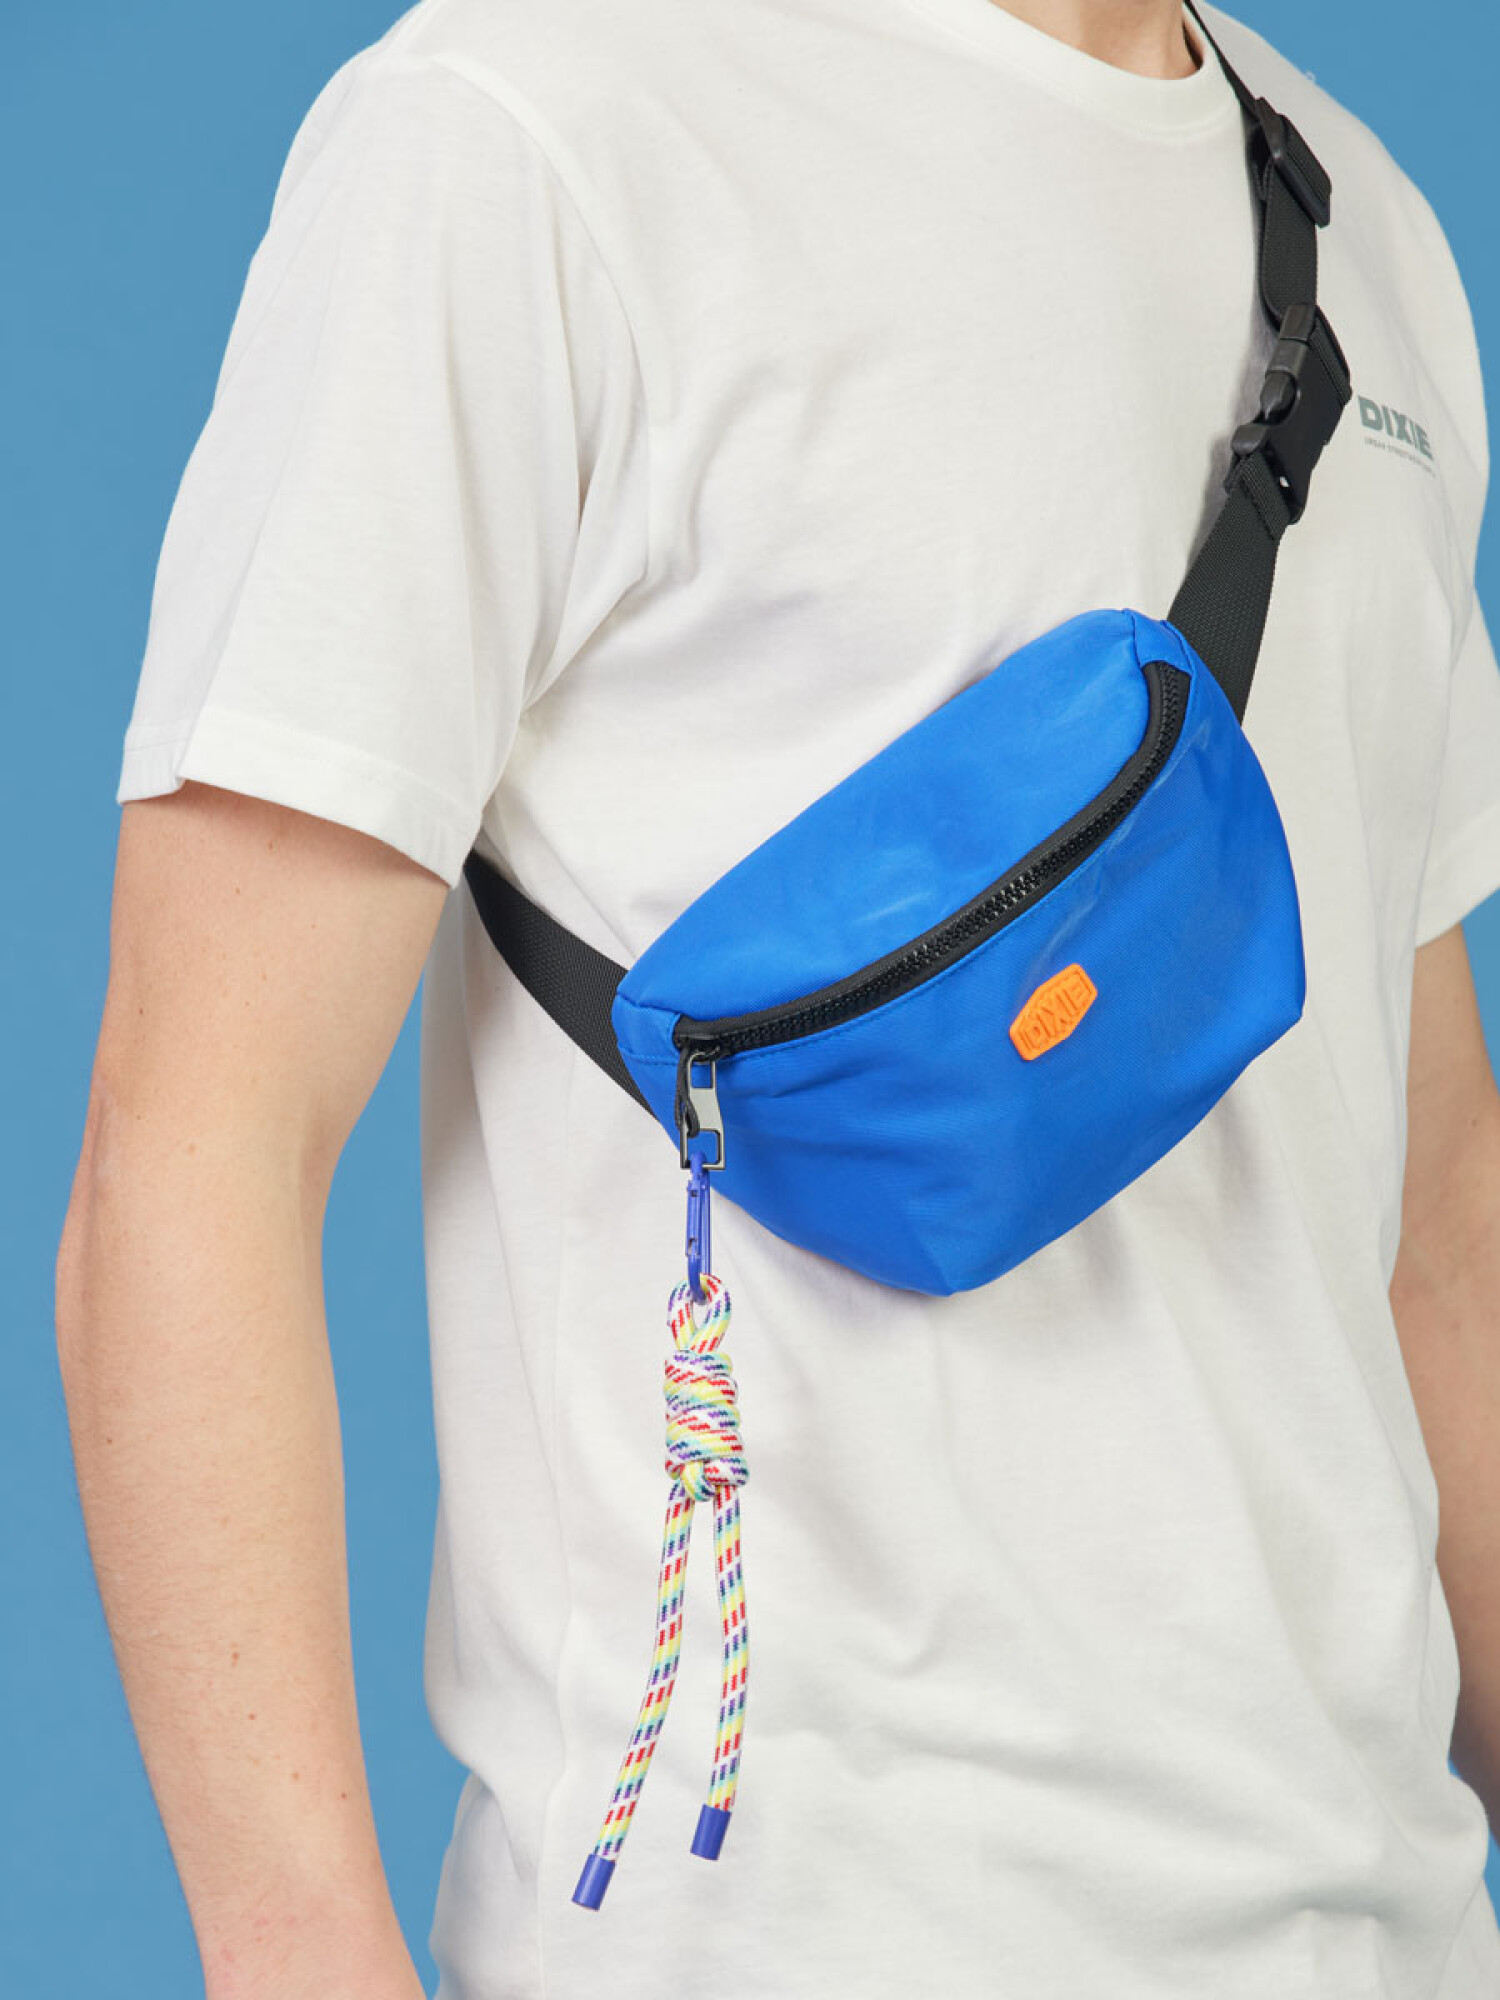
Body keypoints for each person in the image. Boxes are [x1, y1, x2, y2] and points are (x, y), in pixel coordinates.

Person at [54, 0, 1500, 1993]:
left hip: (1392, 1935)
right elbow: (199, 1140)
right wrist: (302, 1950)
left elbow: (1437, 1209)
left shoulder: (1365, 235)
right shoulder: (529, 125)